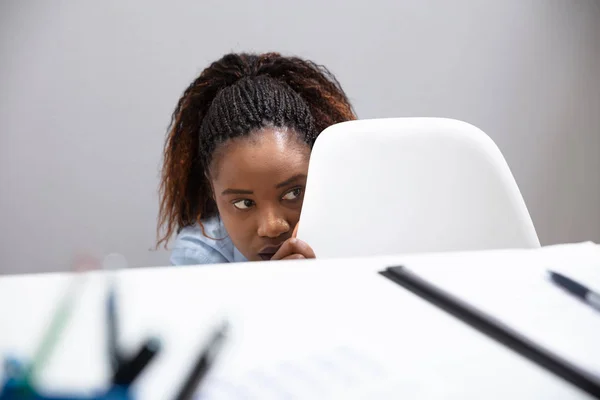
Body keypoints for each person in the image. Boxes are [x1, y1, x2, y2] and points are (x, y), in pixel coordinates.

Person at [157, 52, 356, 265]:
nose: (272, 227)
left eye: (294, 193)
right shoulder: (199, 257)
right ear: (212, 192)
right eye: (244, 203)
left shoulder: (355, 232)